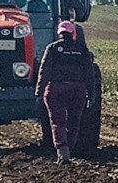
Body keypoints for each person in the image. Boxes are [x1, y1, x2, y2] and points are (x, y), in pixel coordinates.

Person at [35, 20, 98, 162]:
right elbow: (89, 73)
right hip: (77, 90)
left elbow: (44, 71)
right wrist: (91, 93)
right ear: (73, 32)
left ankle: (63, 151)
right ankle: (70, 147)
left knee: (58, 121)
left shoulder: (52, 48)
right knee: (74, 121)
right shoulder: (82, 49)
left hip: (55, 90)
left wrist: (39, 91)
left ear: (59, 33)